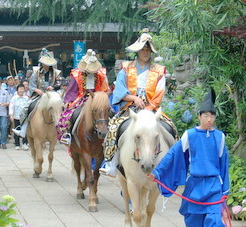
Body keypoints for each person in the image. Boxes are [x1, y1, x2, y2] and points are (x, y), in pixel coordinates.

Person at [147, 88, 230, 227]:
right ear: (199, 116)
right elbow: (173, 154)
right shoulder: (189, 135)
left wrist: (225, 189)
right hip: (195, 185)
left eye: (212, 116)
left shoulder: (220, 136)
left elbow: (224, 165)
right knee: (193, 222)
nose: (209, 119)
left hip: (214, 185)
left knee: (215, 222)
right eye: (206, 116)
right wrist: (157, 172)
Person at [100, 28, 169, 177]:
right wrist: (134, 98)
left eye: (148, 50)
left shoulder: (159, 70)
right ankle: (111, 162)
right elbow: (119, 89)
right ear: (137, 51)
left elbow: (160, 91)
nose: (146, 52)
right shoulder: (126, 68)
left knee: (171, 129)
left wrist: (149, 107)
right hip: (130, 108)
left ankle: (172, 164)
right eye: (143, 49)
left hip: (151, 108)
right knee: (113, 127)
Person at [57, 49, 109, 145]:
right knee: (69, 115)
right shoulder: (77, 75)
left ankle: (111, 136)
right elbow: (72, 90)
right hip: (81, 99)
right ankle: (67, 135)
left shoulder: (100, 74)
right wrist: (69, 100)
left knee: (109, 113)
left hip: (97, 99)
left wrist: (102, 97)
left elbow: (105, 88)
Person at [12, 48, 61, 138]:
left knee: (61, 107)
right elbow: (31, 86)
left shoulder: (55, 73)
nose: (46, 65)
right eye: (45, 63)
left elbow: (59, 83)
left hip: (52, 95)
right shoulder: (36, 73)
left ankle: (63, 130)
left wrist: (53, 87)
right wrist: (36, 90)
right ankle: (22, 128)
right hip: (39, 95)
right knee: (26, 108)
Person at [9, 84, 29, 150]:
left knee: (25, 131)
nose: (21, 90)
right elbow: (11, 107)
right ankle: (17, 144)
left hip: (25, 118)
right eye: (20, 89)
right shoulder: (14, 98)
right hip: (16, 117)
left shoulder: (26, 98)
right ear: (17, 90)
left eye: (22, 89)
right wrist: (11, 115)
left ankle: (24, 143)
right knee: (17, 130)